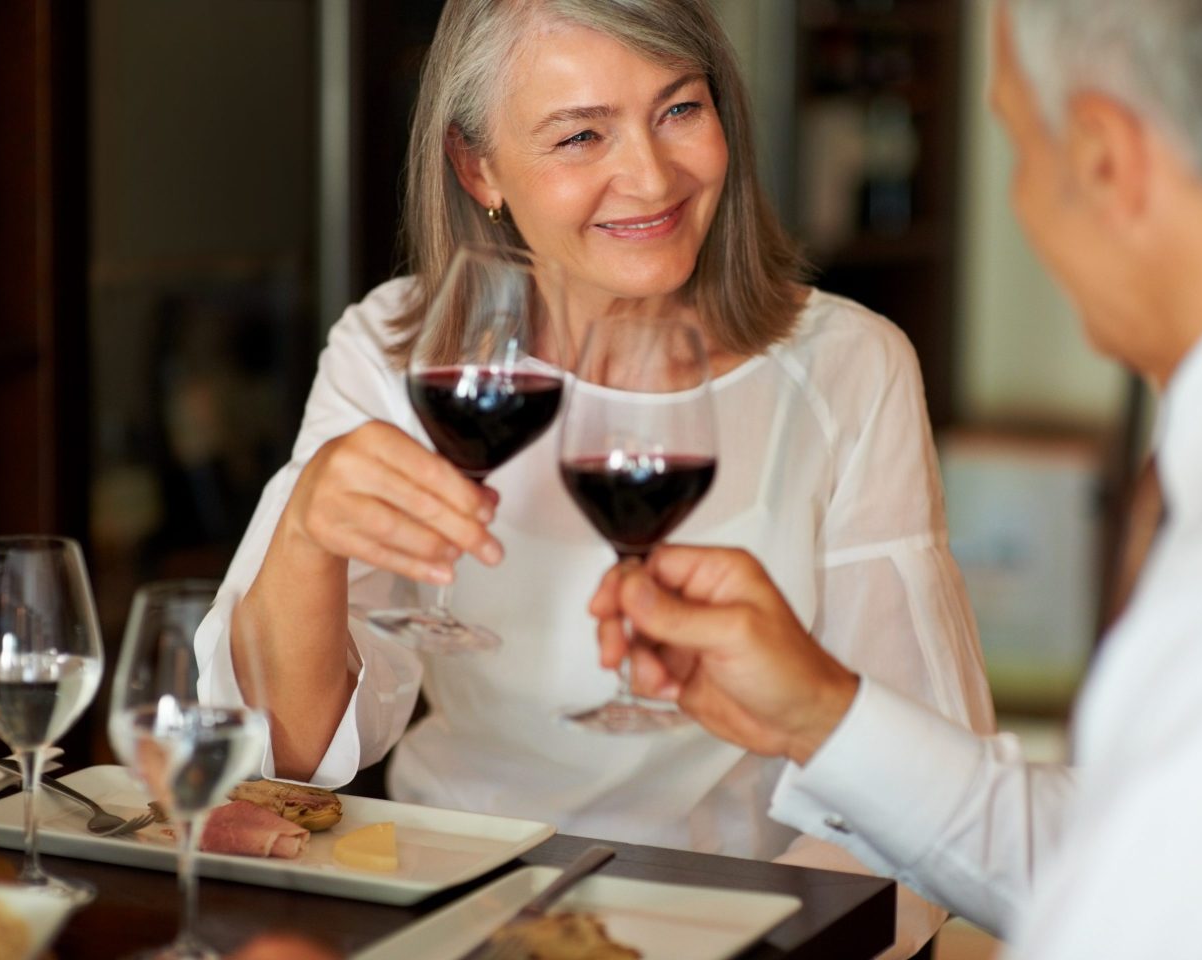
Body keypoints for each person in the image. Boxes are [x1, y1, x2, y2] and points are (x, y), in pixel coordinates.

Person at [194, 1, 992, 954]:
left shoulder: (848, 366)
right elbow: (276, 765)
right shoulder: (394, 349)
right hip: (459, 911)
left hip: (742, 920)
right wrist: (305, 538)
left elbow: (917, 797)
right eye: (581, 134)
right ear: (477, 166)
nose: (652, 177)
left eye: (679, 110)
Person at [591, 0, 1202, 956]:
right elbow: (1123, 859)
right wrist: (824, 715)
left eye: (1018, 146)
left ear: (1103, 159)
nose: (1018, 199)